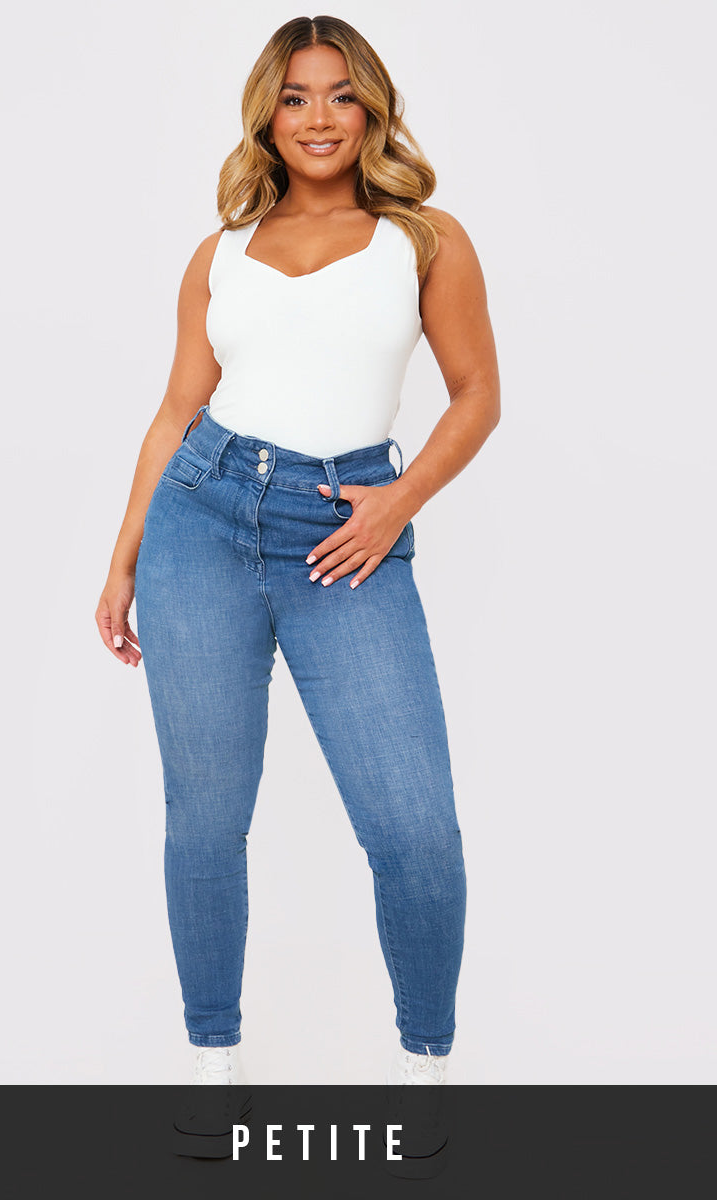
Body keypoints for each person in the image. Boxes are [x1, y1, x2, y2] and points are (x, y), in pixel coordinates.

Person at [95, 14, 500, 1086]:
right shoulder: (220, 253)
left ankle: (428, 1077)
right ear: (266, 116)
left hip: (347, 534)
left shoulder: (425, 240)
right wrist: (125, 554)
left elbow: (476, 395)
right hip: (201, 521)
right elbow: (176, 412)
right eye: (294, 97)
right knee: (205, 822)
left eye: (340, 95)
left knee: (415, 831)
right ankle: (212, 1071)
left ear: (372, 109)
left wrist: (398, 501)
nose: (318, 117)